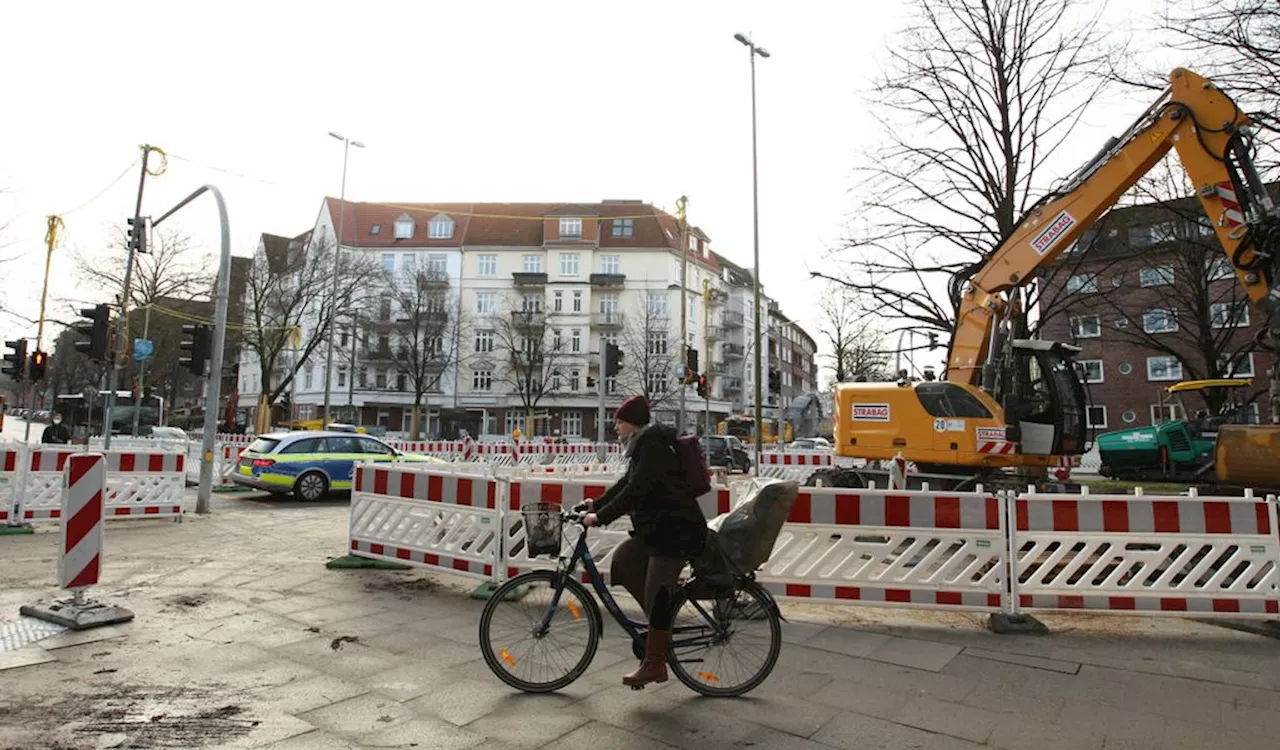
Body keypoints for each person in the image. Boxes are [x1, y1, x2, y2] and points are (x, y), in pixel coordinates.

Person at [583, 395, 707, 687]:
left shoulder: (653, 447)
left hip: (675, 532)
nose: (616, 427)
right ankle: (661, 626)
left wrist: (600, 518)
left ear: (632, 424)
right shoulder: (643, 446)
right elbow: (626, 483)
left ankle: (655, 663)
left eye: (620, 422)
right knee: (624, 562)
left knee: (656, 593)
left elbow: (635, 491)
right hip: (657, 530)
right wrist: (595, 505)